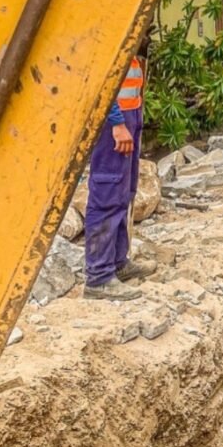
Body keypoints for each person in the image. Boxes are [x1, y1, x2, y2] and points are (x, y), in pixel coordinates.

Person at [83, 53, 156, 300]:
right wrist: (116, 121)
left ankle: (117, 262)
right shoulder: (106, 35)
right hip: (113, 122)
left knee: (124, 194)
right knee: (108, 193)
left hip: (129, 116)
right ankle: (99, 276)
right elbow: (101, 78)